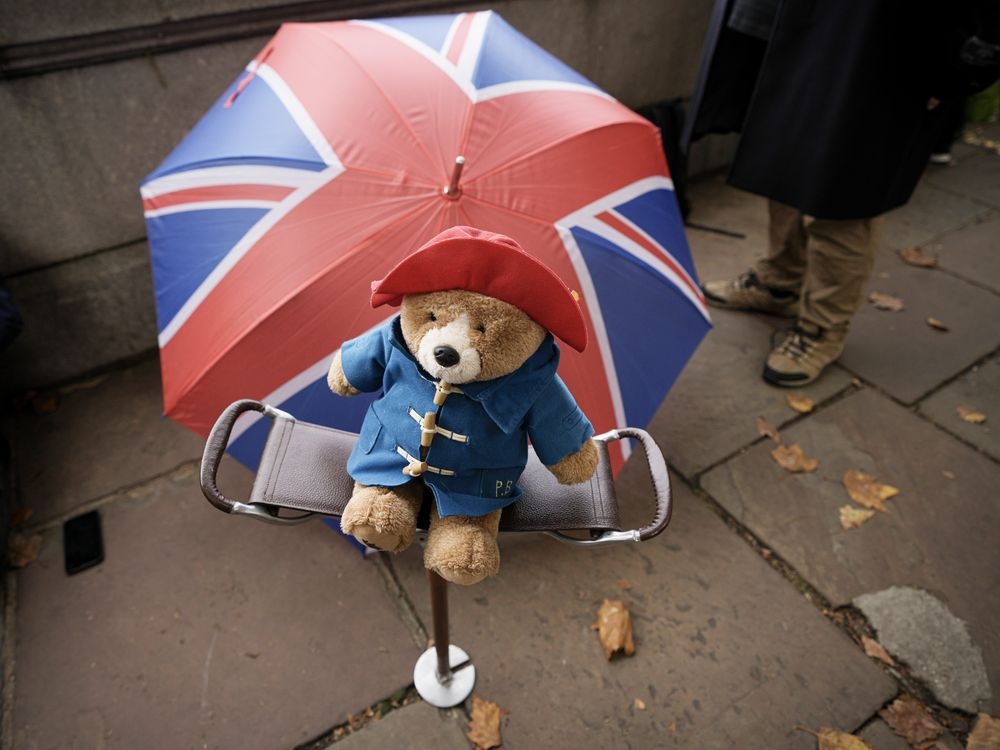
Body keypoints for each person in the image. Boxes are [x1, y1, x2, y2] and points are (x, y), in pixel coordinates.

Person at [683, 0, 1000, 386]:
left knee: (846, 194)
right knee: (783, 165)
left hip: (888, 46)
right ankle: (781, 281)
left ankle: (822, 327)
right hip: (803, 27)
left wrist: (956, 69)